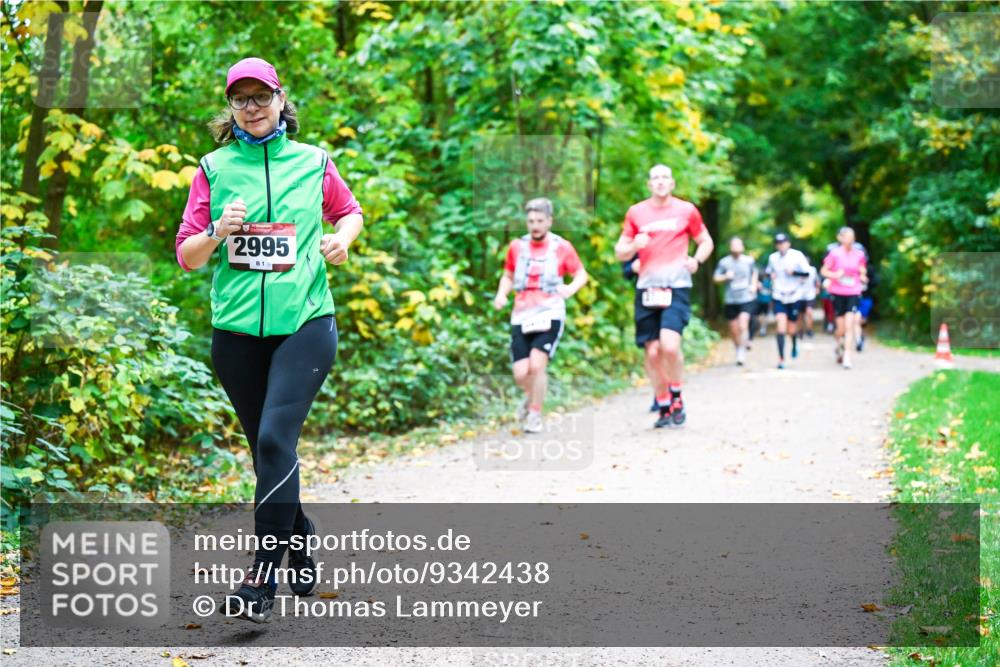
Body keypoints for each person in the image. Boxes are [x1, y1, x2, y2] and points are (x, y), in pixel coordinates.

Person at [175, 58, 363, 622]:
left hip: (306, 322)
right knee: (266, 450)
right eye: (241, 99)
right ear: (229, 108)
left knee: (277, 438)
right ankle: (299, 529)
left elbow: (349, 212)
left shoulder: (314, 162)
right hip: (235, 333)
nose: (252, 107)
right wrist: (217, 231)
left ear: (282, 100)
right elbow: (187, 256)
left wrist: (342, 239)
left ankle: (261, 579)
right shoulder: (212, 167)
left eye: (262, 96)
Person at [614, 164, 714, 428]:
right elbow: (620, 251)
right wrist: (635, 245)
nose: (660, 182)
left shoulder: (686, 210)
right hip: (647, 288)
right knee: (653, 351)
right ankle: (662, 402)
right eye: (655, 178)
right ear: (649, 184)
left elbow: (706, 240)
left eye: (665, 178)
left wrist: (697, 260)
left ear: (672, 183)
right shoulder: (636, 212)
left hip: (676, 285)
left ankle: (677, 395)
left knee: (669, 345)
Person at [494, 198, 587, 433]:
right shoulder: (517, 247)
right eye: (531, 221)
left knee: (537, 366)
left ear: (549, 221)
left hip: (549, 312)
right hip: (522, 314)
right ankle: (530, 397)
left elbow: (580, 274)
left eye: (539, 221)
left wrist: (570, 289)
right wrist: (501, 295)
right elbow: (507, 275)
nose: (535, 225)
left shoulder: (561, 247)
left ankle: (535, 413)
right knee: (520, 373)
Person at [822, 226, 867, 369]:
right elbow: (824, 271)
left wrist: (863, 276)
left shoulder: (859, 254)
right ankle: (839, 344)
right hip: (837, 292)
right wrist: (836, 275)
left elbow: (862, 270)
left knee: (850, 325)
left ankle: (847, 356)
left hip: (853, 291)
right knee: (840, 328)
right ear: (840, 238)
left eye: (852, 237)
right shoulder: (834, 254)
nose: (850, 240)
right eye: (847, 237)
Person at [765, 233, 810, 369]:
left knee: (791, 329)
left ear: (788, 243)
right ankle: (781, 358)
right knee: (780, 327)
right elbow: (768, 272)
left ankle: (795, 343)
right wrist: (770, 276)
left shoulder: (797, 255)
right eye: (778, 243)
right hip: (779, 295)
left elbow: (807, 273)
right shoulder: (773, 258)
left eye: (783, 243)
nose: (781, 245)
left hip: (794, 295)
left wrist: (794, 273)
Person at [624, 254, 660, 412]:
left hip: (671, 299)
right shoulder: (637, 240)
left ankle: (670, 392)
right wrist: (633, 267)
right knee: (651, 350)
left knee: (666, 347)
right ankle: (659, 393)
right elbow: (626, 272)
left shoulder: (672, 236)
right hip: (646, 300)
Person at [713, 236, 757, 365]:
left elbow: (754, 273)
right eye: (734, 245)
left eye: (739, 245)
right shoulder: (724, 262)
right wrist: (725, 276)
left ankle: (742, 351)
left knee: (743, 323)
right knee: (733, 328)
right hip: (730, 299)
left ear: (742, 247)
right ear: (730, 247)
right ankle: (738, 348)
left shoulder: (749, 261)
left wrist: (753, 285)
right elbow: (715, 278)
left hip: (746, 298)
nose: (736, 247)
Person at [801, 263, 819, 338]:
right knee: (800, 314)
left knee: (809, 312)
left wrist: (817, 288)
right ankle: (800, 330)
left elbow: (817, 280)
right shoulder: (796, 269)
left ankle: (809, 330)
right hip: (799, 295)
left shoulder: (812, 269)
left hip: (810, 295)